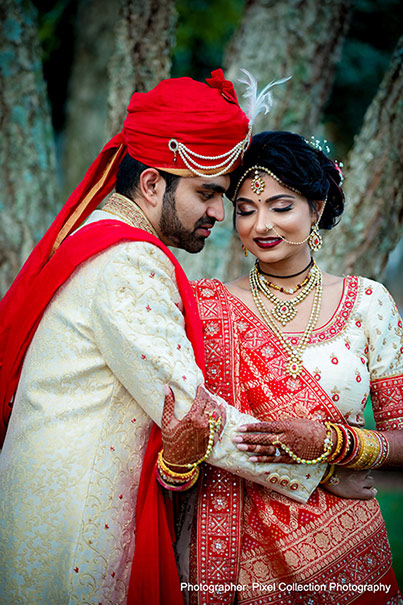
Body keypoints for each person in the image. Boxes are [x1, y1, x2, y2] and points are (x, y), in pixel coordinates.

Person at [0, 73, 328, 605]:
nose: (221, 215)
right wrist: (324, 466)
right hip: (79, 517)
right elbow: (191, 413)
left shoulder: (99, 239)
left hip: (52, 500)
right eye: (208, 193)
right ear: (152, 184)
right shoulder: (129, 261)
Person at [172, 131, 403, 604]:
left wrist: (335, 444)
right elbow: (183, 425)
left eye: (281, 206)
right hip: (231, 554)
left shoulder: (369, 302)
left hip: (345, 550)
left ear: (315, 208)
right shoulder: (203, 307)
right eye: (246, 208)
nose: (261, 224)